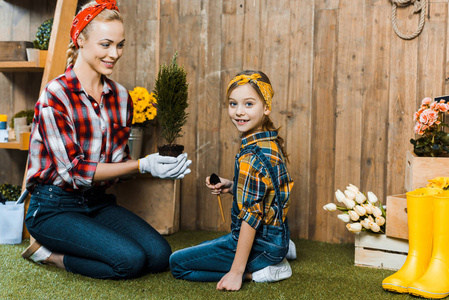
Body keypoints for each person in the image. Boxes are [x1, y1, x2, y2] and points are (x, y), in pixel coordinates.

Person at [21, 0, 191, 280]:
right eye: (106, 44)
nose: (114, 53)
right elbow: (75, 172)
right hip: (53, 207)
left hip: (97, 202)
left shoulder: (121, 97)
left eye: (120, 45)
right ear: (80, 40)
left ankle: (86, 239)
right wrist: (141, 165)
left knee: (160, 256)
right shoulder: (56, 96)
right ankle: (49, 254)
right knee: (130, 262)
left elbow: (117, 166)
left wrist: (158, 167)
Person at [169, 70, 295, 291]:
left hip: (261, 243)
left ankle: (261, 271)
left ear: (266, 107)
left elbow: (251, 218)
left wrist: (236, 272)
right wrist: (231, 186)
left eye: (248, 104)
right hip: (277, 236)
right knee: (205, 247)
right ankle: (281, 249)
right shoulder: (269, 142)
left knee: (177, 263)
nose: (238, 112)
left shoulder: (250, 157)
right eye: (233, 104)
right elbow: (268, 191)